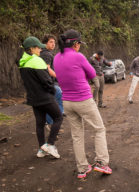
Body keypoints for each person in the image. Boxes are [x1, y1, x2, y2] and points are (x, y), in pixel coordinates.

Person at [53, 29, 112, 179]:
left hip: (67, 102)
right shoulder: (78, 57)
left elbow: (61, 77)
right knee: (99, 129)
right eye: (79, 43)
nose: (80, 46)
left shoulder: (56, 58)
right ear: (75, 43)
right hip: (83, 100)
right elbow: (93, 74)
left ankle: (82, 169)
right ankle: (101, 163)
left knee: (77, 135)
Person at [17, 36, 63, 158]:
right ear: (31, 49)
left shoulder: (23, 62)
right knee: (58, 117)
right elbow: (47, 81)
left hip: (33, 98)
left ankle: (41, 149)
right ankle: (50, 144)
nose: (40, 50)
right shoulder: (37, 61)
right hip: (45, 97)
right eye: (38, 48)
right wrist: (52, 90)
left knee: (40, 123)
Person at [40, 34, 64, 128]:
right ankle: (54, 121)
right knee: (58, 97)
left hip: (45, 83)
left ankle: (49, 121)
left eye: (54, 42)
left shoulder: (43, 53)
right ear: (45, 43)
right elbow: (47, 69)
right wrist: (59, 77)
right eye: (51, 42)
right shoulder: (46, 54)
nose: (53, 44)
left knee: (50, 103)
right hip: (49, 83)